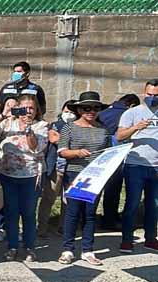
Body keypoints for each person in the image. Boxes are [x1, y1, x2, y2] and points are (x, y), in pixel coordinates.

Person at [57, 92, 112, 265]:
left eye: (95, 108)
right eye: (87, 108)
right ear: (79, 109)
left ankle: (88, 250)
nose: (91, 111)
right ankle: (68, 249)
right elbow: (62, 151)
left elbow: (108, 153)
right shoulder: (69, 127)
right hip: (75, 173)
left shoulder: (103, 129)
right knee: (72, 213)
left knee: (90, 214)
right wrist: (76, 153)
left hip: (97, 175)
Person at [0, 93, 49, 262]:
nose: (28, 112)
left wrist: (28, 129)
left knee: (28, 213)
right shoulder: (7, 123)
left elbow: (35, 148)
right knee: (11, 213)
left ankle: (30, 247)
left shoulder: (42, 126)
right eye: (24, 108)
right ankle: (12, 246)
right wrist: (4, 113)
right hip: (7, 174)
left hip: (31, 175)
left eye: (32, 108)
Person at [116, 79, 158, 253]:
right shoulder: (132, 113)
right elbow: (119, 136)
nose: (152, 98)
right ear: (143, 93)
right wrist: (136, 128)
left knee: (154, 205)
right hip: (135, 165)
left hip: (156, 166)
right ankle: (127, 240)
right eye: (149, 94)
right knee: (132, 203)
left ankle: (150, 239)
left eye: (156, 95)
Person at [98, 93, 140, 229]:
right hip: (114, 154)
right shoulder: (124, 113)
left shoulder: (106, 111)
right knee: (113, 188)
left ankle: (106, 217)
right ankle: (109, 220)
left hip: (102, 153)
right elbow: (119, 136)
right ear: (131, 105)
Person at [38, 100, 77, 236]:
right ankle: (42, 228)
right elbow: (53, 138)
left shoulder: (79, 126)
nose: (69, 114)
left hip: (73, 168)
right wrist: (73, 144)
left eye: (72, 112)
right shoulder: (55, 125)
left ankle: (64, 228)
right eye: (67, 111)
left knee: (68, 200)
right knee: (48, 198)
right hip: (56, 167)